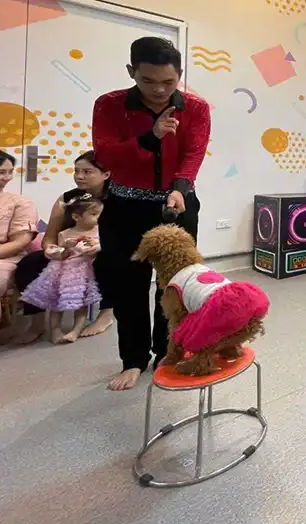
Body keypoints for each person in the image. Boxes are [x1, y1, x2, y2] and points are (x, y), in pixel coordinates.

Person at [92, 37, 209, 391]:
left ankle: (168, 353)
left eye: (168, 82)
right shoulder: (110, 105)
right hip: (124, 208)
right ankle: (133, 359)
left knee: (174, 285)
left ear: (180, 75)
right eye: (148, 80)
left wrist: (180, 188)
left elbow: (193, 153)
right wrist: (151, 136)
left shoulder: (196, 108)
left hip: (177, 204)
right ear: (132, 72)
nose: (159, 89)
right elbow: (106, 155)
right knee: (128, 285)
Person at [13, 151, 113, 344]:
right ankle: (37, 320)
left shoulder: (118, 200)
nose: (79, 176)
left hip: (102, 249)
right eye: (76, 171)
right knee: (29, 263)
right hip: (68, 253)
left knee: (110, 261)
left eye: (87, 172)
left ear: (106, 174)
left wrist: (100, 246)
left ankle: (106, 313)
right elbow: (50, 237)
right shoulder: (67, 199)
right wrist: (53, 250)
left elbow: (126, 238)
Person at [20, 195, 102, 344]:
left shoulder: (99, 232)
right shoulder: (65, 234)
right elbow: (62, 255)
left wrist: (96, 246)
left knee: (81, 303)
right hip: (63, 271)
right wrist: (67, 248)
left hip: (84, 271)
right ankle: (55, 330)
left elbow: (101, 251)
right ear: (76, 217)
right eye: (94, 214)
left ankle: (76, 330)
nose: (99, 218)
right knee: (56, 302)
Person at [0, 147, 38, 365]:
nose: (7, 178)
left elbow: (20, 242)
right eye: (1, 172)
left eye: (10, 172)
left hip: (3, 259)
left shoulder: (19, 203)